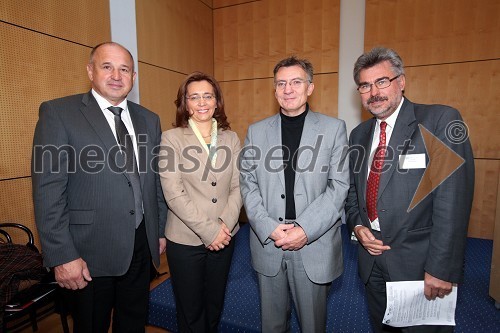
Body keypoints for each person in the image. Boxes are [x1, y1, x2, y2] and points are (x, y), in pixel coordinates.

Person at [31, 42, 168, 332]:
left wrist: (159, 231)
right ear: (90, 71)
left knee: (132, 323)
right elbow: (48, 191)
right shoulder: (59, 113)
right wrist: (62, 255)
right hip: (87, 251)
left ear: (134, 76)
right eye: (107, 67)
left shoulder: (149, 119)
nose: (117, 75)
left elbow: (154, 181)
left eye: (125, 69)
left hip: (141, 247)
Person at [345, 47, 474, 333]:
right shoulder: (359, 134)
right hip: (371, 261)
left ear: (401, 82)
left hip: (420, 266)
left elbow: (452, 201)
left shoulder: (440, 121)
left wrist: (441, 268)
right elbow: (353, 193)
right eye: (365, 85)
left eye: (382, 81)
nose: (373, 92)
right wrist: (356, 225)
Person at [240, 56, 349, 332]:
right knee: (272, 326)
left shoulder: (333, 129)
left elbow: (339, 187)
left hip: (313, 243)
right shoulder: (256, 132)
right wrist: (269, 227)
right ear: (274, 90)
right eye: (281, 83)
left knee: (312, 326)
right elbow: (247, 184)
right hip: (269, 242)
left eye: (296, 82)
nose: (288, 89)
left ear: (310, 87)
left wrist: (304, 229)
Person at [158, 72, 242, 332]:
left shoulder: (231, 138)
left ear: (217, 101)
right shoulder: (171, 138)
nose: (202, 102)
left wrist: (223, 226)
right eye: (194, 97)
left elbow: (239, 186)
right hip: (186, 240)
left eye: (208, 96)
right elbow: (173, 193)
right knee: (190, 311)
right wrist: (210, 231)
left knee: (214, 305)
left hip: (225, 235)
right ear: (185, 103)